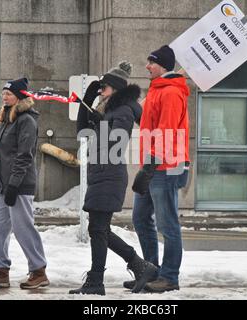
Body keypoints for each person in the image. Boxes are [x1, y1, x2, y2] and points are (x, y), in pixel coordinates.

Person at [69, 61, 158, 295]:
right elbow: (81, 132)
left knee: (98, 228)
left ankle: (98, 280)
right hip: (101, 173)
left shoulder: (124, 109)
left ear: (115, 89)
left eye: (103, 88)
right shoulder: (107, 109)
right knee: (99, 229)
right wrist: (87, 100)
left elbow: (116, 143)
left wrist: (102, 126)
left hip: (110, 174)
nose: (101, 91)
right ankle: (138, 267)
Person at [130, 45, 190, 293]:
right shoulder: (157, 90)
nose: (147, 66)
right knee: (140, 217)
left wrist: (150, 165)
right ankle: (151, 271)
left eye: (151, 62)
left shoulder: (171, 93)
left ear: (163, 65)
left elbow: (166, 131)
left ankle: (169, 277)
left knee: (167, 225)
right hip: (154, 165)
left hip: (166, 167)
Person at [0, 78, 49, 290]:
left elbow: (24, 156)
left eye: (9, 94)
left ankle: (38, 270)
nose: (4, 96)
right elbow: (3, 155)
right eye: (3, 93)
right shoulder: (7, 117)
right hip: (3, 185)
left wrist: (13, 185)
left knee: (23, 229)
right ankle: (0, 270)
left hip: (19, 185)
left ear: (20, 96)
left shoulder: (26, 120)